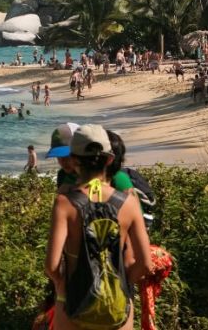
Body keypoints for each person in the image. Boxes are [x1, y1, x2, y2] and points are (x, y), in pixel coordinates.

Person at [44, 124, 152, 330]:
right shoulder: (129, 203)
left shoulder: (64, 203)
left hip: (73, 302)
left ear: (73, 159)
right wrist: (124, 285)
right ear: (110, 159)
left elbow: (51, 265)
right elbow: (146, 263)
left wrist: (61, 287)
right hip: (118, 306)